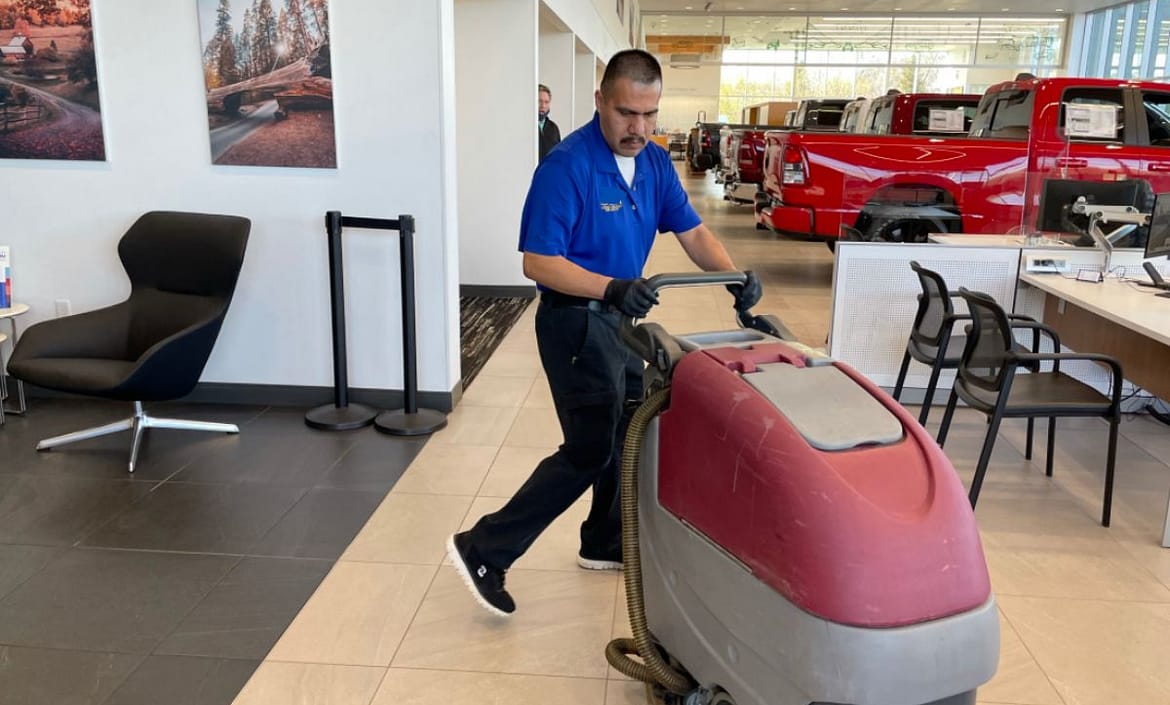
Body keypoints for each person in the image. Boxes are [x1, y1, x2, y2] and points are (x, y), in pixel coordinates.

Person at [447, 50, 762, 616]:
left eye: (649, 115)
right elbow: (538, 263)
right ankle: (486, 548)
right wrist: (612, 288)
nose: (638, 128)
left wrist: (735, 276)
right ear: (599, 102)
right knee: (589, 449)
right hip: (573, 325)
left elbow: (691, 232)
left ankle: (602, 540)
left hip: (620, 322)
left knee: (626, 432)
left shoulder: (656, 164)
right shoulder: (567, 166)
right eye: (625, 113)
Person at [538, 84, 562, 162]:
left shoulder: (553, 128)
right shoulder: (526, 126)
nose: (543, 106)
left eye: (546, 102)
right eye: (539, 101)